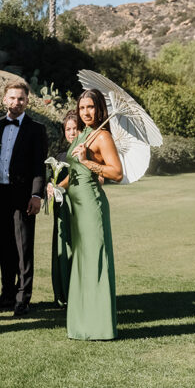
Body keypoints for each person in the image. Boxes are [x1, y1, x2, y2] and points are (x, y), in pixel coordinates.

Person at [61, 89, 123, 340]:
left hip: (91, 206)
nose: (86, 112)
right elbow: (74, 173)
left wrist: (88, 162)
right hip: (75, 206)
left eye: (91, 107)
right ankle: (82, 321)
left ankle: (98, 326)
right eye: (82, 107)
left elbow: (116, 173)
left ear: (100, 109)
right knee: (82, 261)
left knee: (94, 259)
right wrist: (57, 186)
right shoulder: (84, 134)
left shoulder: (103, 137)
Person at [0, 80, 48, 317]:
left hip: (23, 197)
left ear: (27, 101)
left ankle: (23, 298)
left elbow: (39, 167)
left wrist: (36, 195)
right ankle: (7, 294)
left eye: (21, 98)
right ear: (4, 99)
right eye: (12, 97)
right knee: (4, 247)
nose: (16, 102)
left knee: (23, 249)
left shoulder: (36, 129)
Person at [48, 110, 81, 308]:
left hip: (78, 204)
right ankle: (63, 291)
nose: (71, 132)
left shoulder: (85, 152)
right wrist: (50, 186)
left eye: (75, 128)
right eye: (68, 129)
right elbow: (51, 179)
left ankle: (78, 291)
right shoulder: (59, 155)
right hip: (62, 206)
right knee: (63, 245)